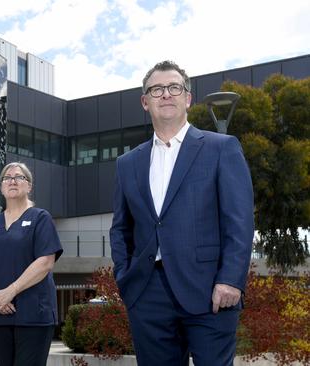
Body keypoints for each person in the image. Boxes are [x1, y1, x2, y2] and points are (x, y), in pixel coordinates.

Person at [110, 60, 254, 366]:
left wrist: (231, 279)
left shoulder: (221, 148)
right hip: (147, 294)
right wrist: (125, 278)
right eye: (157, 89)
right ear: (144, 102)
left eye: (174, 87)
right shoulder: (127, 164)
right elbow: (121, 229)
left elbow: (239, 222)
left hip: (210, 292)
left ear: (187, 98)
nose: (166, 94)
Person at [0, 162, 63, 366]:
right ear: (1, 188)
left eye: (19, 177)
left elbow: (45, 262)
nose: (12, 181)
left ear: (29, 186)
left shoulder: (40, 218)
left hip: (32, 315)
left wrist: (9, 292)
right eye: (7, 178)